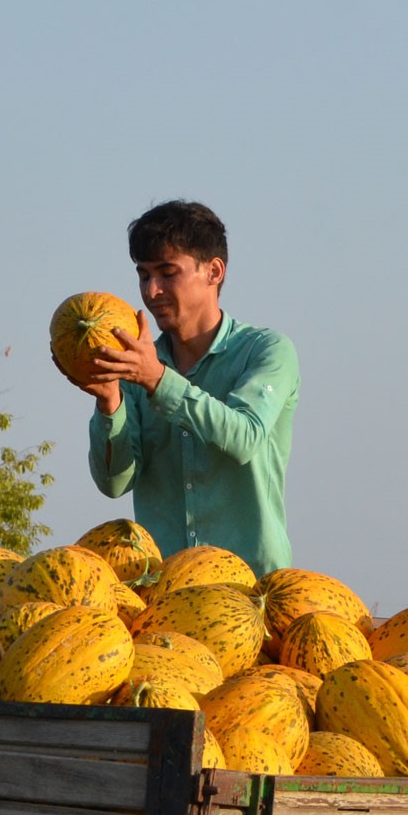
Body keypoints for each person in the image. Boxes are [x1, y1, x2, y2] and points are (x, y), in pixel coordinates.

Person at [78, 200, 300, 576]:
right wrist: (110, 403)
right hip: (164, 592)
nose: (151, 291)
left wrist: (158, 381)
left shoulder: (266, 351)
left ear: (214, 271)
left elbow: (244, 437)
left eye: (167, 273)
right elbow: (115, 484)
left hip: (252, 593)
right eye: (143, 275)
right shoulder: (137, 364)